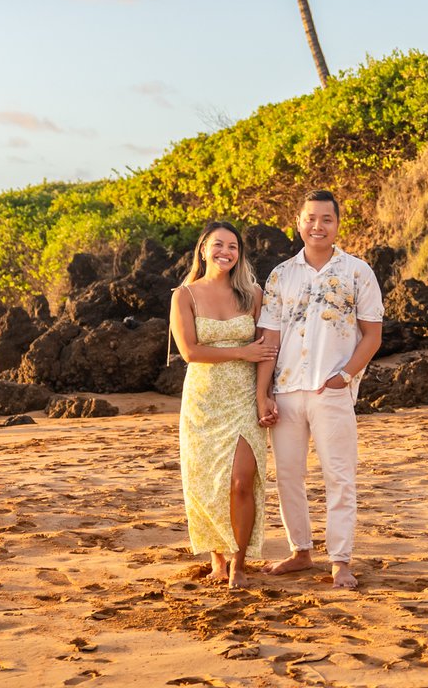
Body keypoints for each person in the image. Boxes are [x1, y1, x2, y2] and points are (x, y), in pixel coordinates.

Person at [255, 189, 383, 590]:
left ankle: (340, 559)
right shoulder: (280, 275)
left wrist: (343, 377)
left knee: (339, 476)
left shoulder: (358, 271)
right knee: (288, 475)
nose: (318, 226)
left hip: (332, 390)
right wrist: (264, 393)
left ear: (338, 224)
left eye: (326, 219)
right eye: (310, 218)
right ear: (299, 223)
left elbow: (373, 335)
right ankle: (300, 552)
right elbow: (269, 338)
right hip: (287, 389)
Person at [169, 220, 279, 587]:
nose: (225, 252)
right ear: (203, 249)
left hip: (243, 398)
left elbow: (267, 351)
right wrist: (242, 351)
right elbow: (189, 351)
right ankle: (217, 558)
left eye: (233, 247)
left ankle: (240, 563)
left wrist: (263, 395)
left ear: (240, 254)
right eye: (218, 245)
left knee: (241, 482)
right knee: (207, 483)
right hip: (203, 400)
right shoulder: (184, 295)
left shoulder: (252, 294)